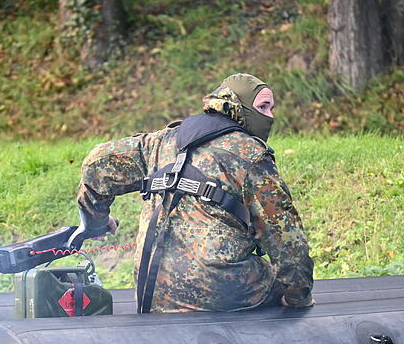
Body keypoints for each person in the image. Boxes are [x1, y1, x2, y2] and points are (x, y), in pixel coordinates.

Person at [75, 73, 314, 313]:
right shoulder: (251, 155)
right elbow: (287, 238)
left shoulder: (160, 142)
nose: (270, 116)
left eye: (271, 108)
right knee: (276, 280)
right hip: (223, 292)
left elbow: (97, 163)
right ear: (238, 107)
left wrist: (95, 220)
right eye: (263, 107)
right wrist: (298, 297)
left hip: (153, 289)